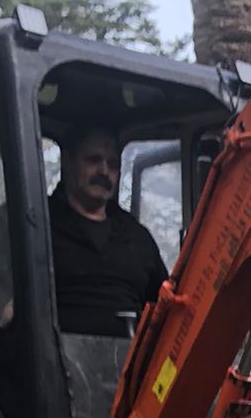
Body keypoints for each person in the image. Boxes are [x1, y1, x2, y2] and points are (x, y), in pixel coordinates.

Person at [46, 123, 167, 335]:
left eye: (112, 164)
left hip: (130, 354)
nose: (104, 171)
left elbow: (165, 309)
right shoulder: (35, 223)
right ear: (67, 162)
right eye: (93, 160)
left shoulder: (137, 237)